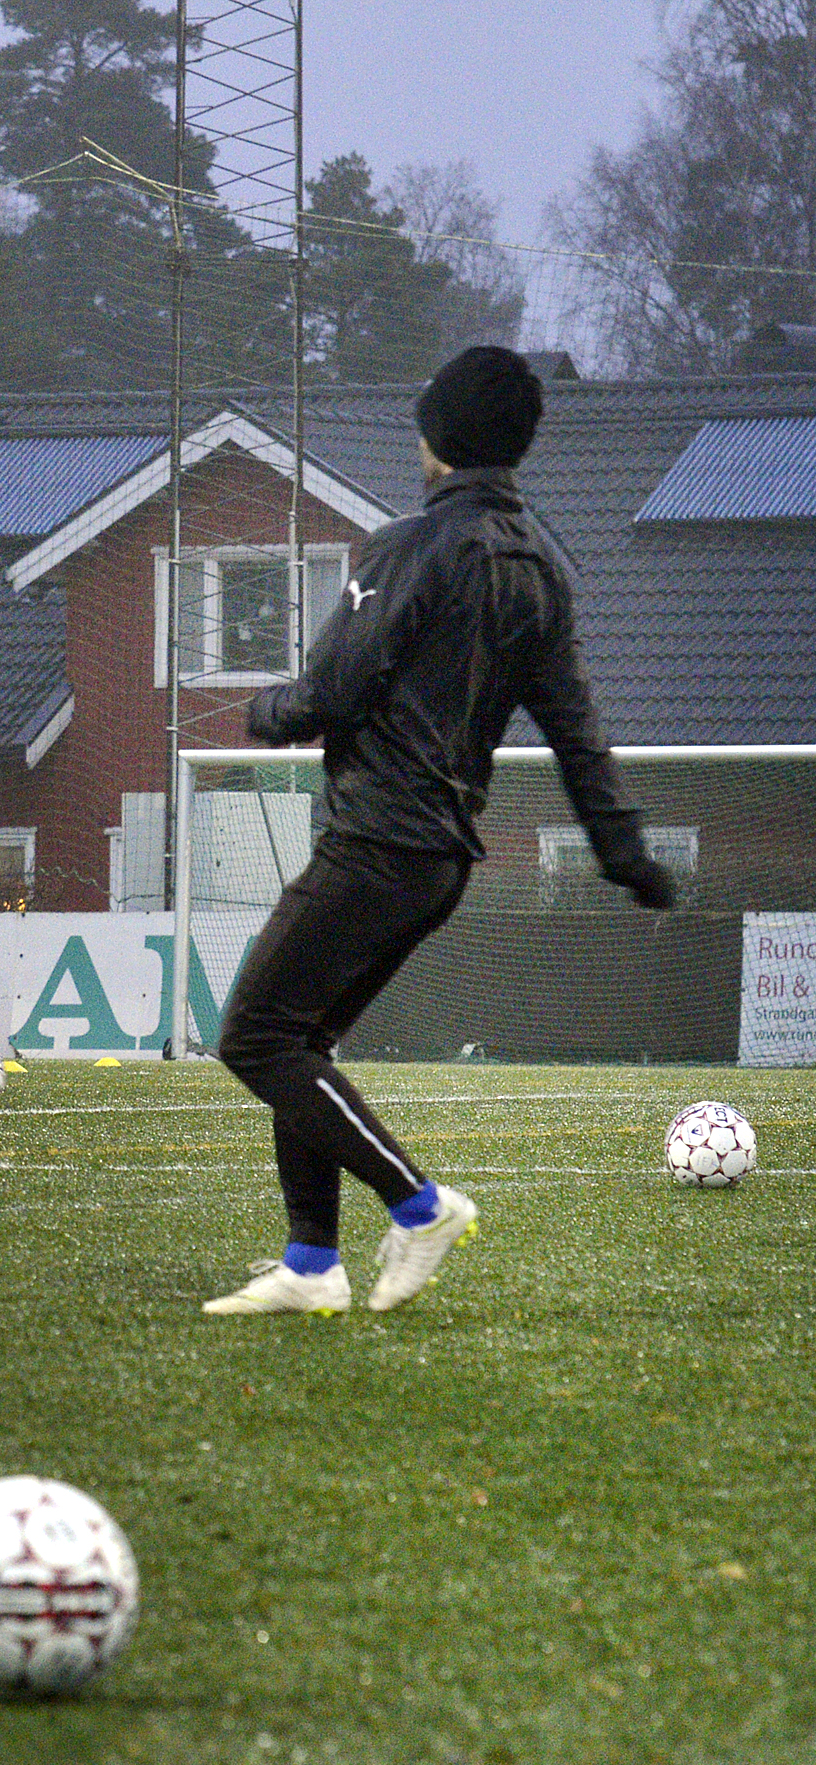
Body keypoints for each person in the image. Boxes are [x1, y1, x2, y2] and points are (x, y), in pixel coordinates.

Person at [204, 345, 676, 1317]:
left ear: (436, 436)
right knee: (304, 1039)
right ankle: (309, 1263)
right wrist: (625, 854)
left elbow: (332, 690)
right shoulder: (542, 571)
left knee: (255, 1036)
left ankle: (418, 1206)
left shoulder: (408, 547)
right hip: (438, 858)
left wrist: (265, 709)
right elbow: (577, 732)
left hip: (376, 841)